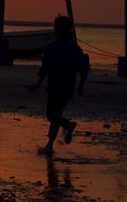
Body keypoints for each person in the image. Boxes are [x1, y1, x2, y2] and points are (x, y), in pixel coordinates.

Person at [28, 15, 88, 155]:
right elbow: (83, 69)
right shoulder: (75, 48)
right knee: (56, 115)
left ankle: (67, 125)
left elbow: (45, 69)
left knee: (52, 116)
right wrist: (81, 85)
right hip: (68, 87)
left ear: (57, 30)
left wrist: (37, 84)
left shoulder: (52, 47)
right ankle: (50, 145)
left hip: (55, 86)